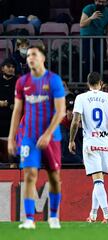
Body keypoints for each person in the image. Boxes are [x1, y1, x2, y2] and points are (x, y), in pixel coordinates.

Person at [7, 45, 66, 229]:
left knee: (54, 178)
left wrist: (48, 134)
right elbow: (17, 111)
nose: (30, 57)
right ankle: (30, 219)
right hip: (30, 138)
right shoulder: (21, 82)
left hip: (51, 137)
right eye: (28, 55)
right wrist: (11, 138)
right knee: (30, 175)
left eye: (34, 54)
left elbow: (61, 111)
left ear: (42, 58)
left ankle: (54, 216)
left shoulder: (53, 80)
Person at [69, 72, 108, 223]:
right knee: (99, 179)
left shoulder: (81, 98)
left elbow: (75, 122)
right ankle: (93, 215)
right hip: (106, 142)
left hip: (91, 143)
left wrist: (71, 140)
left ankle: (107, 216)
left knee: (97, 180)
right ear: (101, 83)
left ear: (88, 84)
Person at [80, 0, 108, 75]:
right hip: (86, 37)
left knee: (100, 59)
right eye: (99, 1)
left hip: (100, 38)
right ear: (95, 1)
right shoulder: (88, 8)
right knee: (87, 59)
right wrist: (91, 17)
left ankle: (98, 80)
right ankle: (86, 80)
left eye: (103, 2)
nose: (101, 3)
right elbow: (82, 24)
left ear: (106, 3)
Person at [0, 58, 17, 137]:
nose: (11, 69)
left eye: (13, 67)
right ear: (2, 68)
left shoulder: (18, 81)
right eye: (8, 66)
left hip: (13, 116)